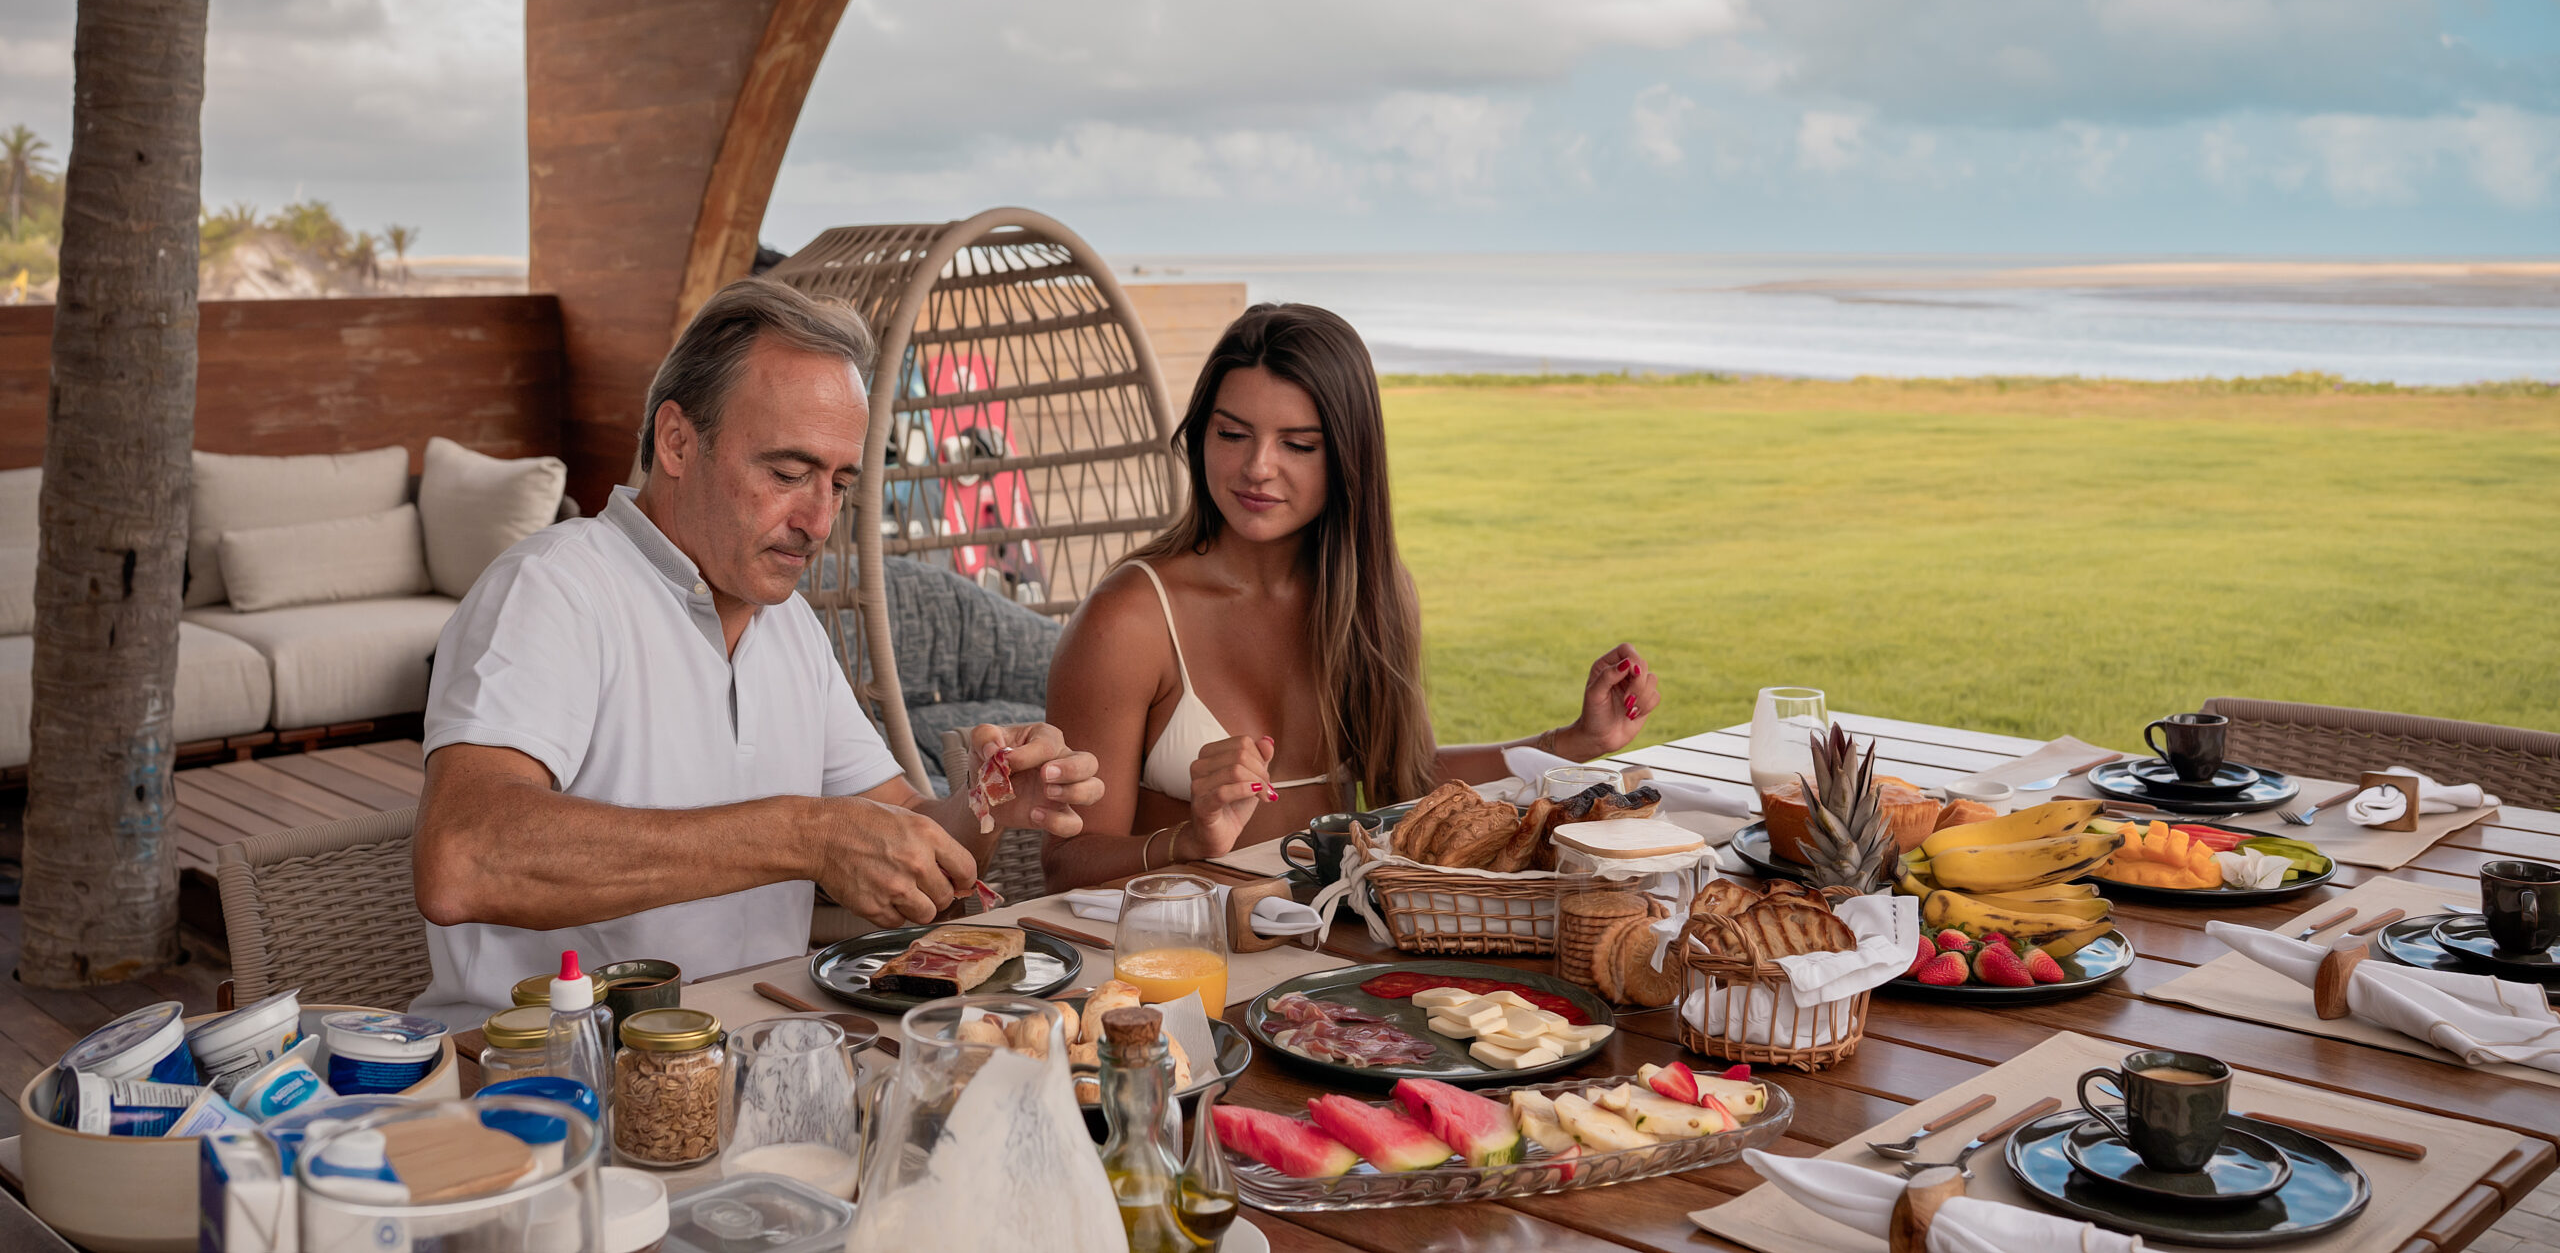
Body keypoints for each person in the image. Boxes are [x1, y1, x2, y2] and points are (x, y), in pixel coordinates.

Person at [409, 278, 1102, 1030]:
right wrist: (803, 833)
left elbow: (905, 832)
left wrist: (984, 806)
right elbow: (463, 857)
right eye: (787, 472)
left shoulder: (790, 625)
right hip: (547, 1081)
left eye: (839, 483)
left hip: (761, 1061)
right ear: (677, 441)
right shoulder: (553, 588)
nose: (818, 519)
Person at [1042, 303, 1658, 888]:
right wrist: (1188, 842)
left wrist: (1573, 741)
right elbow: (1067, 860)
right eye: (1232, 434)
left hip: (1333, 936)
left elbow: (1408, 782)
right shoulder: (1129, 620)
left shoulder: (1373, 598)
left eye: (1298, 445)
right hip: (1177, 954)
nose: (1257, 467)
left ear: (1347, 456)